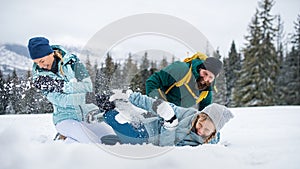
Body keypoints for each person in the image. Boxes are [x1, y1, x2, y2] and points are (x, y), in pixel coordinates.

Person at [28, 37, 115, 143]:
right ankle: (65, 143)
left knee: (113, 141)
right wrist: (88, 98)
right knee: (94, 143)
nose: (41, 65)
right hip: (65, 119)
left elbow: (87, 86)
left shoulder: (72, 62)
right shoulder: (40, 79)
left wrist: (62, 86)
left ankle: (68, 139)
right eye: (37, 63)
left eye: (42, 61)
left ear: (50, 53)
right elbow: (62, 100)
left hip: (88, 115)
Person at [103, 92, 234, 146]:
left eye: (207, 130)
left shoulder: (206, 145)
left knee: (116, 136)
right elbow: (160, 106)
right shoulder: (188, 114)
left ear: (213, 133)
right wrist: (132, 96)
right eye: (200, 124)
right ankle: (106, 104)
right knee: (114, 120)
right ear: (199, 116)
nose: (201, 130)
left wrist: (170, 126)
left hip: (154, 144)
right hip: (147, 130)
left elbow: (167, 147)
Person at [145, 52, 223, 111]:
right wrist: (156, 103)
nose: (206, 79)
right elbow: (152, 81)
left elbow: (205, 109)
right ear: (200, 69)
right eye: (205, 73)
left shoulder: (206, 90)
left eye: (210, 77)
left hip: (176, 115)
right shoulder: (181, 69)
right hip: (158, 106)